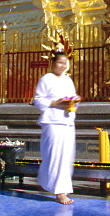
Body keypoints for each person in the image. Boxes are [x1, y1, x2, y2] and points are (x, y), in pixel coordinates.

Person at [33, 52, 80, 205]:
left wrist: (74, 101)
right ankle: (59, 192)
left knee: (66, 157)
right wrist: (56, 103)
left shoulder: (68, 80)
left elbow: (72, 97)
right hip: (53, 121)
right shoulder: (46, 79)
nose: (62, 66)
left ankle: (61, 189)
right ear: (52, 63)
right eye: (59, 62)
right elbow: (38, 99)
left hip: (67, 121)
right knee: (54, 156)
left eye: (65, 63)